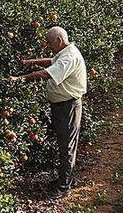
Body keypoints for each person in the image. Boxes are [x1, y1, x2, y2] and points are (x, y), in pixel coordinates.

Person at [10, 26, 87, 198]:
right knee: (65, 143)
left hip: (68, 107)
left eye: (50, 42)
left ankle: (64, 186)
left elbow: (47, 73)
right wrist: (30, 62)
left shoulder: (70, 57)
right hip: (62, 106)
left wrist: (20, 79)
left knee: (67, 146)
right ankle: (65, 179)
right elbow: (51, 62)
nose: (48, 45)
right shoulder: (65, 52)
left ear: (59, 41)